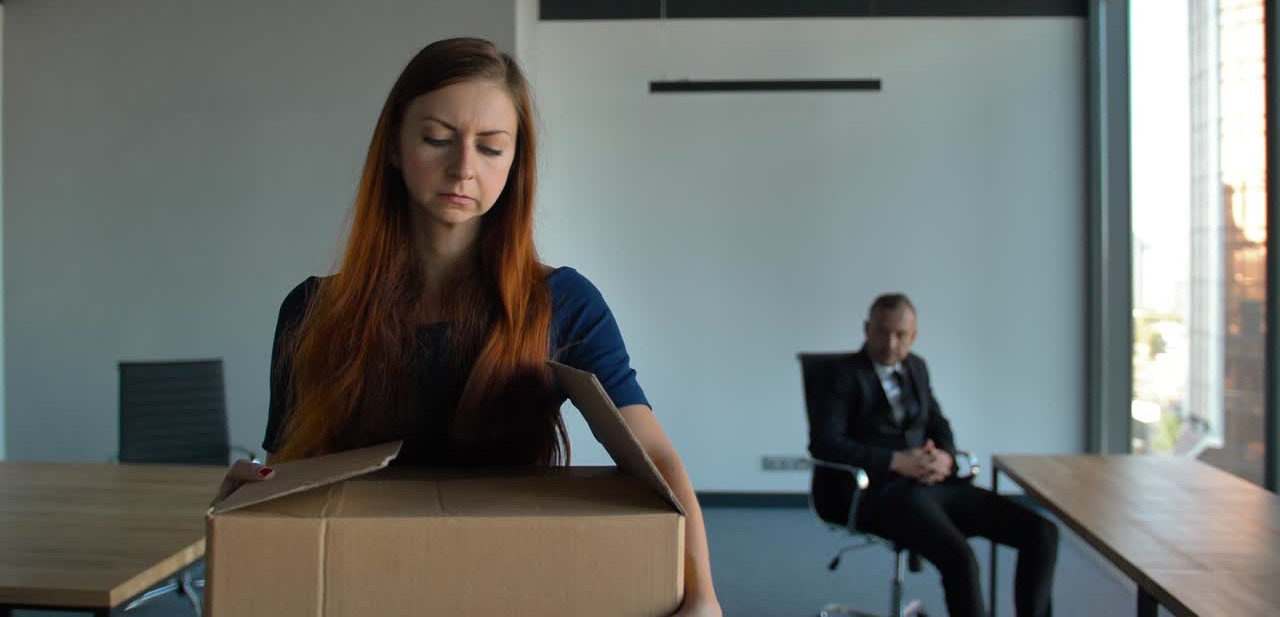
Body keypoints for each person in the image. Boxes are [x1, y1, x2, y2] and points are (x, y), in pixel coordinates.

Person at [213, 37, 721, 617]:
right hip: (363, 583)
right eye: (437, 139)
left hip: (511, 583)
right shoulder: (313, 309)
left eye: (491, 147)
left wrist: (702, 594)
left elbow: (654, 455)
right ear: (396, 148)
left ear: (515, 162)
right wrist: (252, 491)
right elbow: (291, 470)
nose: (463, 168)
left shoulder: (564, 304)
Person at [809, 293, 1057, 617]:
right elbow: (825, 444)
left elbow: (938, 424)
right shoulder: (842, 375)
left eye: (901, 335)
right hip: (881, 492)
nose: (890, 343)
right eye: (882, 332)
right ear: (867, 329)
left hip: (933, 484)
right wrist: (897, 461)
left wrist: (947, 459)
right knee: (960, 557)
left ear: (913, 336)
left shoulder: (917, 367)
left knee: (1041, 533)